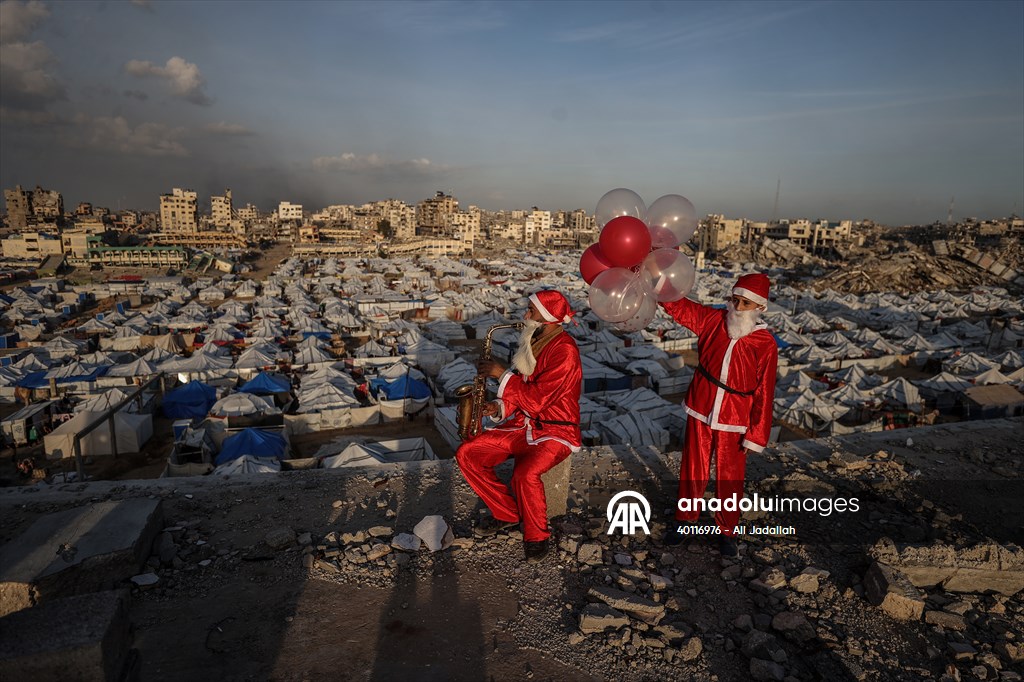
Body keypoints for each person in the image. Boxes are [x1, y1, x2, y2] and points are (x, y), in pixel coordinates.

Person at [455, 290, 582, 563]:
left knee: (524, 475)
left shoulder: (565, 352)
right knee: (468, 453)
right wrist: (499, 408)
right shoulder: (535, 340)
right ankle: (507, 514)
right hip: (521, 426)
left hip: (554, 431)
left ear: (547, 318)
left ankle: (537, 537)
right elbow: (523, 390)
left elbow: (537, 401)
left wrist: (501, 374)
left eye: (531, 311)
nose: (525, 316)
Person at [661, 273, 778, 556]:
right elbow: (679, 307)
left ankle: (727, 531)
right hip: (702, 406)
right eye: (735, 300)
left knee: (730, 476)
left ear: (759, 307)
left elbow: (765, 391)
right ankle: (685, 520)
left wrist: (756, 434)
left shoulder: (765, 344)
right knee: (693, 467)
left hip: (736, 417)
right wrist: (659, 281)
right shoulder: (713, 321)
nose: (737, 307)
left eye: (745, 303)